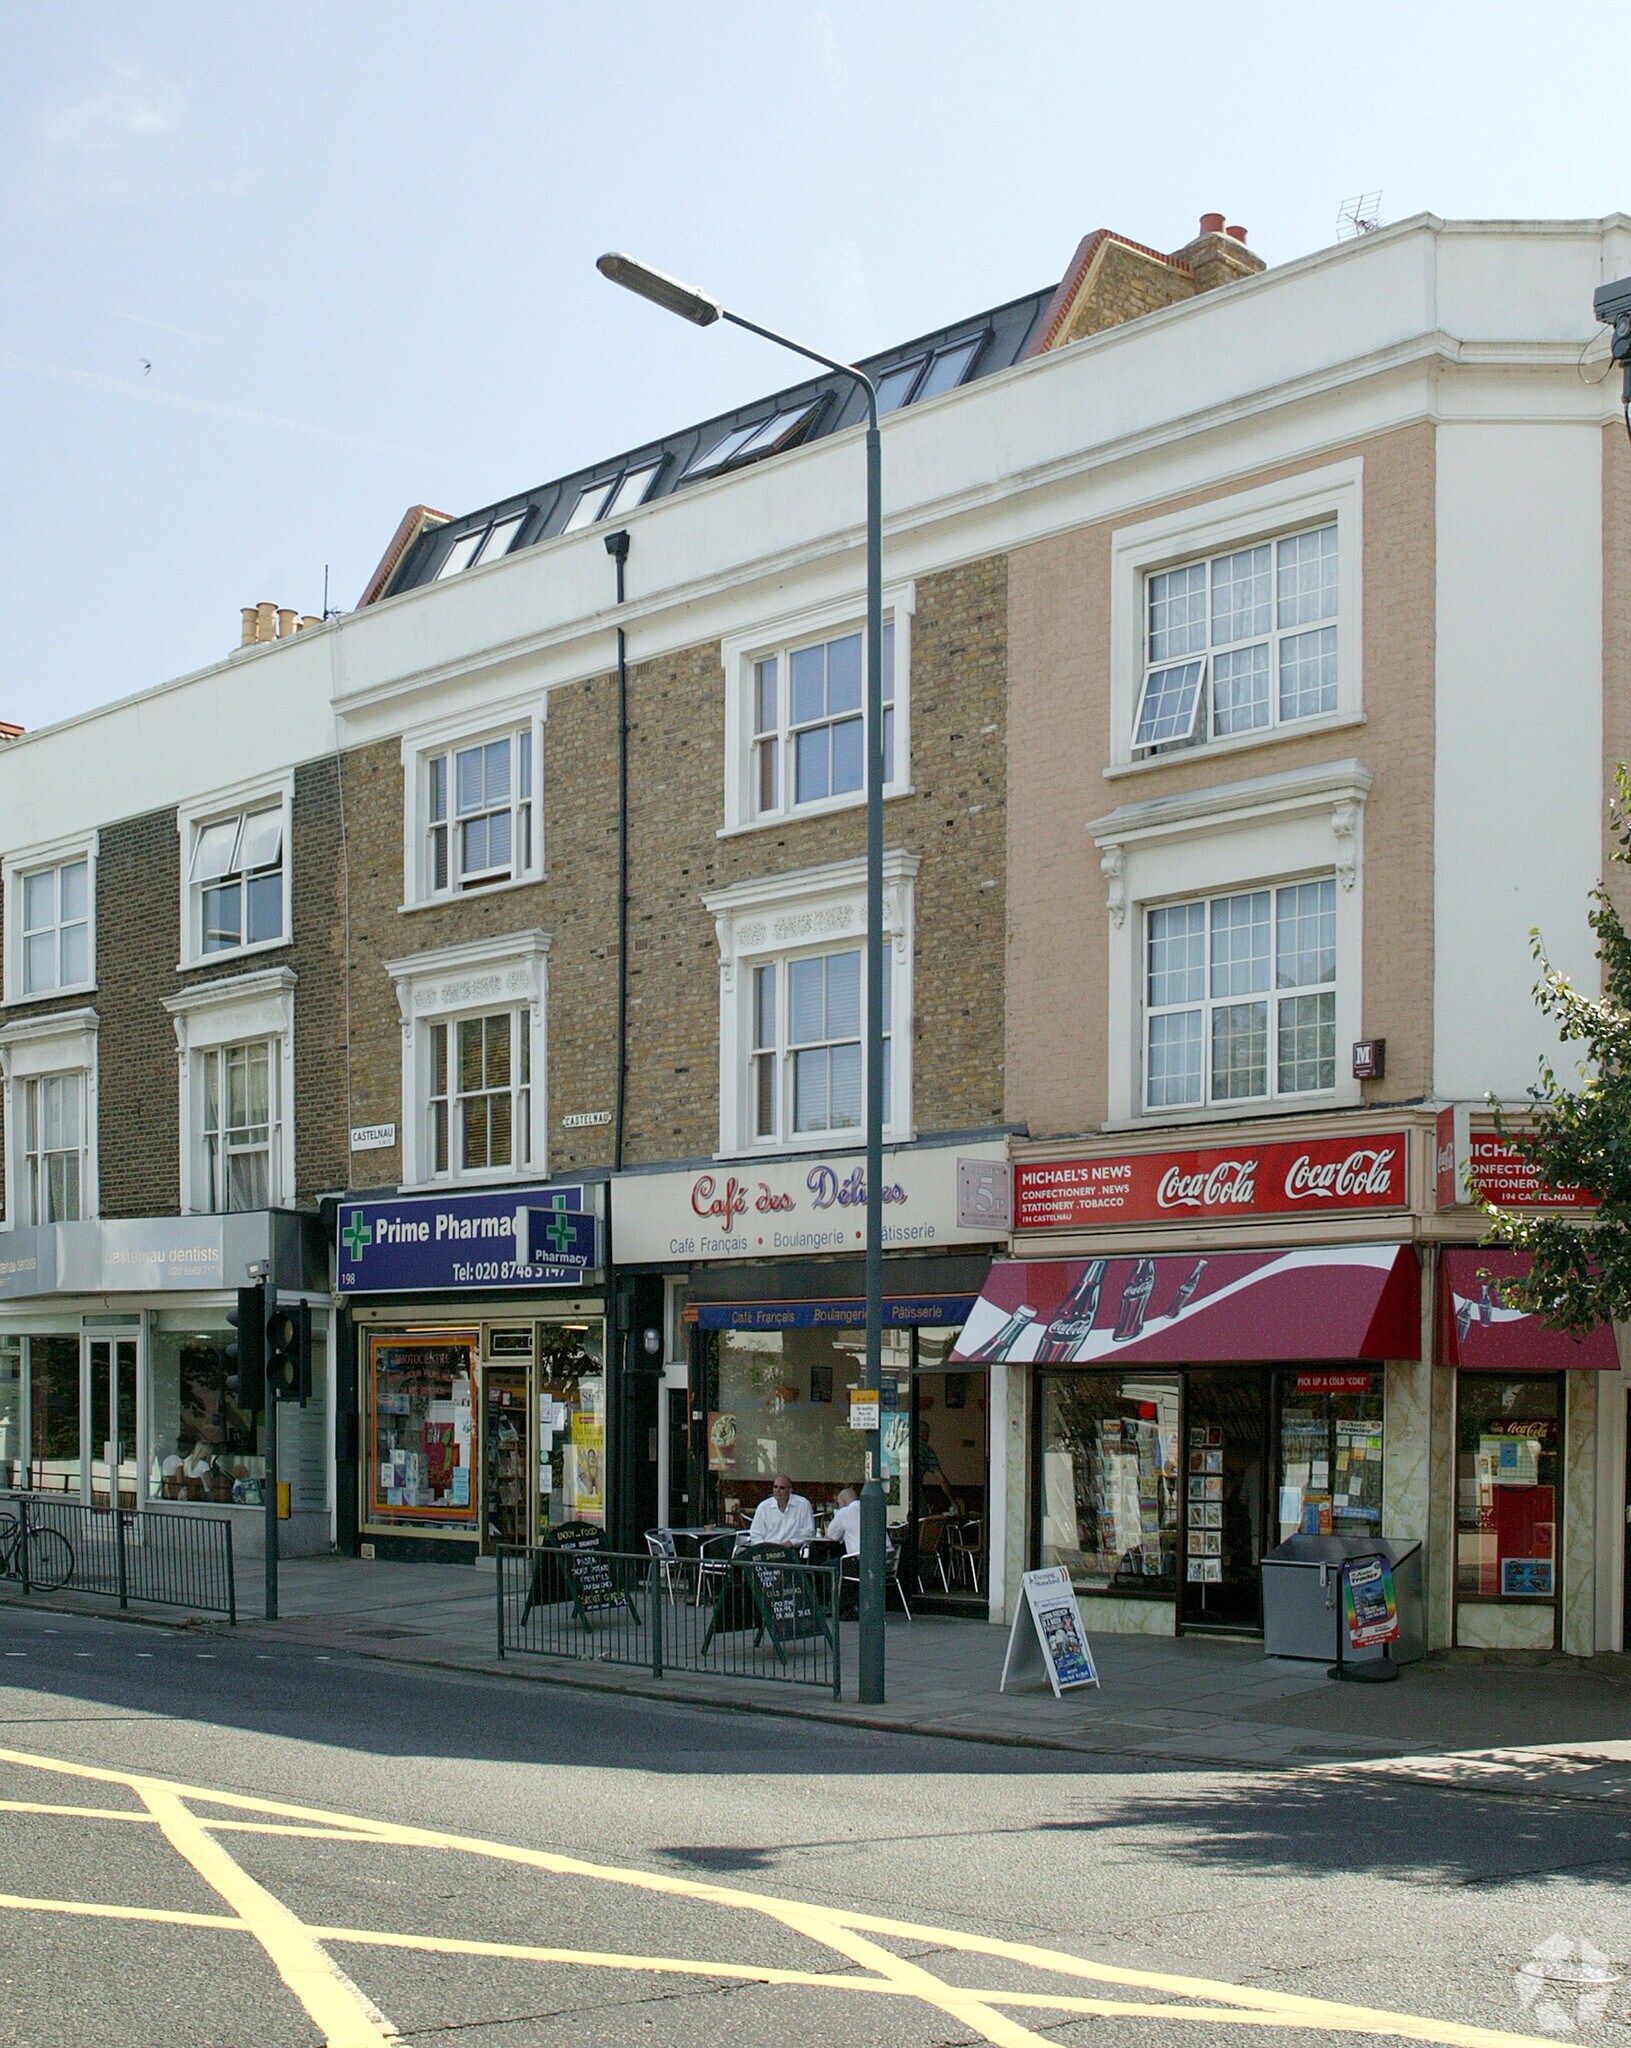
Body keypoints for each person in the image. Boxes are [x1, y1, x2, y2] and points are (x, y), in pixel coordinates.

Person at [744, 1473, 815, 1546]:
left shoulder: (803, 1504)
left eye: (782, 1488)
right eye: (775, 1487)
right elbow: (755, 1534)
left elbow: (809, 1532)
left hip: (792, 1550)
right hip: (767, 1550)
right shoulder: (763, 1507)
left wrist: (791, 1543)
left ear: (790, 1490)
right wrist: (764, 1548)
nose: (777, 1490)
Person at [826, 1485, 862, 1558]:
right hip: (885, 1555)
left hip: (859, 1558)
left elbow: (831, 1535)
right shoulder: (871, 1508)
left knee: (825, 1565)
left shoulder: (844, 1512)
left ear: (843, 1502)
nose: (838, 1507)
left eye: (838, 1504)